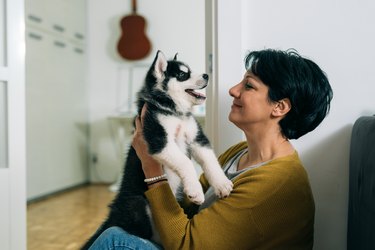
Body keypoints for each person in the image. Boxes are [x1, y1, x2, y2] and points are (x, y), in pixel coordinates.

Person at [89, 48, 333, 249]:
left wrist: (151, 166)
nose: (232, 90)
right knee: (117, 230)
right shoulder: (239, 153)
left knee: (114, 240)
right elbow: (187, 208)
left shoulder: (274, 184)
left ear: (279, 107)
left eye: (248, 86)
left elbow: (186, 244)